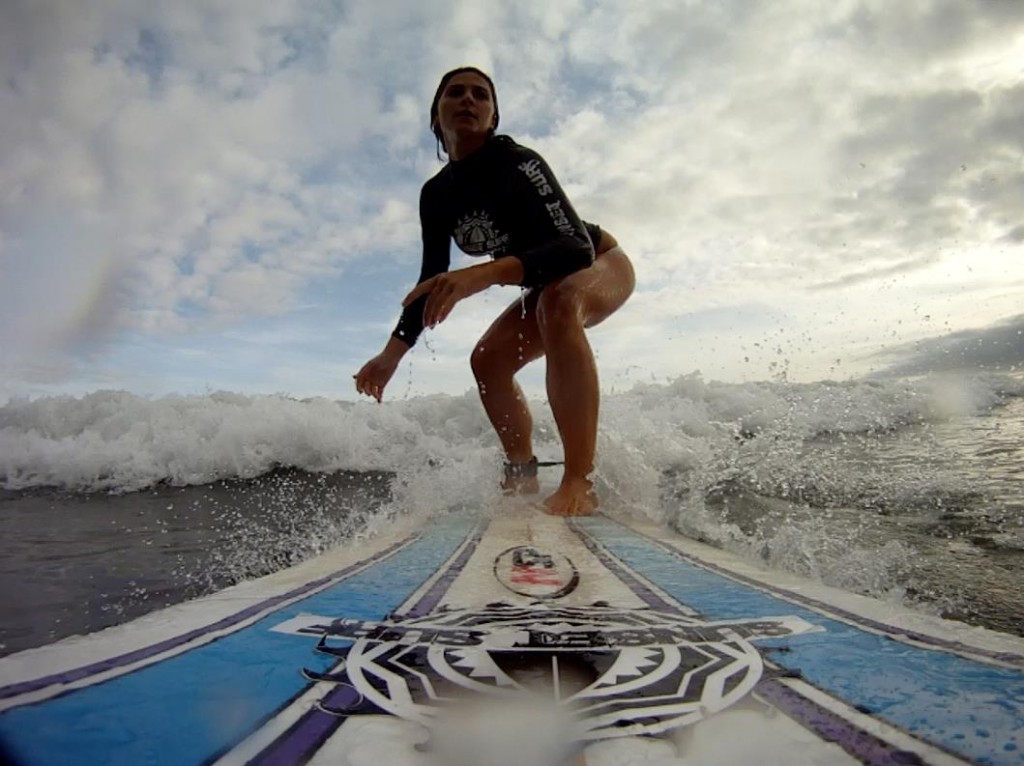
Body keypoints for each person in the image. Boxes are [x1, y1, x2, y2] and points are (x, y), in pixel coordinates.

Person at [354, 66, 635, 516]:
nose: (469, 99)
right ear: (436, 115)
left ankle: (580, 482)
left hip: (601, 264)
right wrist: (391, 354)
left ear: (492, 116)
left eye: (481, 95)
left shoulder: (519, 162)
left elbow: (575, 248)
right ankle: (522, 473)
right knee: (487, 360)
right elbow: (433, 278)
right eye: (455, 92)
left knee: (559, 301)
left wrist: (483, 274)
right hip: (545, 282)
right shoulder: (436, 194)